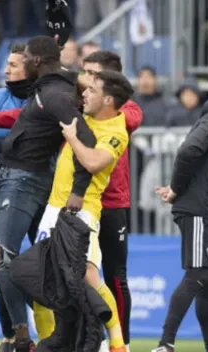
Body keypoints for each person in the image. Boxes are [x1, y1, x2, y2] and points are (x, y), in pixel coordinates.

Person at [0, 35, 97, 352]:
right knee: (22, 261)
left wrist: (78, 190)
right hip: (15, 177)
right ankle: (49, 333)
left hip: (25, 179)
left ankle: (24, 338)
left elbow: (87, 139)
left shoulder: (54, 95)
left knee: (5, 258)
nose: (20, 61)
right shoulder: (48, 87)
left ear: (36, 62)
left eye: (24, 57)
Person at [35, 70, 133, 352]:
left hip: (83, 212)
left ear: (108, 100)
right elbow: (75, 78)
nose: (85, 94)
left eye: (92, 90)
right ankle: (58, 340)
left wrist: (72, 137)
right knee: (45, 279)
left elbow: (92, 163)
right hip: (54, 207)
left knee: (89, 275)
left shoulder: (115, 131)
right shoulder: (88, 114)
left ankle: (117, 343)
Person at [0, 43, 54, 352]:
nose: (5, 69)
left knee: (48, 262)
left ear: (31, 66)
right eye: (6, 63)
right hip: (3, 183)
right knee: (1, 260)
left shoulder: (47, 97)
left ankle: (52, 337)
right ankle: (14, 337)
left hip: (47, 183)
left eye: (12, 64)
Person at [80, 50, 143, 352]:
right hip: (79, 202)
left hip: (112, 203)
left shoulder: (125, 109)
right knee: (77, 277)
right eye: (84, 72)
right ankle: (91, 340)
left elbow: (130, 117)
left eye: (92, 74)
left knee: (116, 277)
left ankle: (123, 343)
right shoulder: (81, 102)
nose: (85, 80)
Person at [153, 94, 208, 352]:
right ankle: (165, 343)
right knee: (198, 274)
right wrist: (177, 189)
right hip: (199, 210)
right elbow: (188, 150)